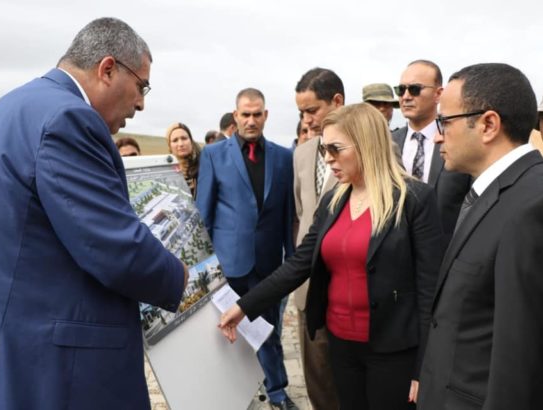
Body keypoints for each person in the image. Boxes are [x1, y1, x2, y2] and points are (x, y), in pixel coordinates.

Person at [0, 18, 188, 410]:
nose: (141, 103)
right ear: (107, 69)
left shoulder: (13, 106)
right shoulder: (68, 119)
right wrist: (178, 275)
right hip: (54, 369)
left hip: (11, 345)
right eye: (141, 86)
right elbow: (112, 246)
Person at [220, 103, 443, 410]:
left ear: (366, 145)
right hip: (340, 345)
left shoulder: (414, 199)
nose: (327, 158)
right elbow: (299, 264)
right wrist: (245, 307)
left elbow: (430, 289)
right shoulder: (333, 200)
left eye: (336, 149)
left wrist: (424, 366)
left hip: (393, 349)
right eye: (325, 149)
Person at [418, 63, 543, 410]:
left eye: (445, 122)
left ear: (488, 125)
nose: (438, 135)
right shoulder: (490, 191)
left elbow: (520, 356)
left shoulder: (531, 205)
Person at [196, 88, 297, 410]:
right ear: (236, 116)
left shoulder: (284, 158)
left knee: (267, 331)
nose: (251, 120)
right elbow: (204, 214)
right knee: (223, 332)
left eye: (257, 114)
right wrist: (204, 267)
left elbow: (287, 216)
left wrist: (291, 263)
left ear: (265, 115)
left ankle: (277, 392)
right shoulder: (213, 155)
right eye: (245, 114)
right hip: (227, 265)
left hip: (268, 265)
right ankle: (228, 396)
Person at [293, 67, 342, 410]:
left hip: (350, 290)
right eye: (301, 113)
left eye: (312, 110)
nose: (306, 120)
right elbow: (302, 212)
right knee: (317, 381)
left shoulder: (373, 150)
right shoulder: (302, 153)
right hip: (308, 287)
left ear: (337, 101)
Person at [391, 60, 471, 247]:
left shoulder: (459, 141)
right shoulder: (388, 143)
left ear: (438, 94)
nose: (406, 96)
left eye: (415, 89)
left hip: (446, 251)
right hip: (396, 252)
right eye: (401, 90)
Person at [166, 122, 201, 198]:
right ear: (170, 146)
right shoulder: (166, 173)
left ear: (191, 141)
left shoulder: (204, 166)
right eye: (175, 140)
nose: (181, 144)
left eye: (184, 138)